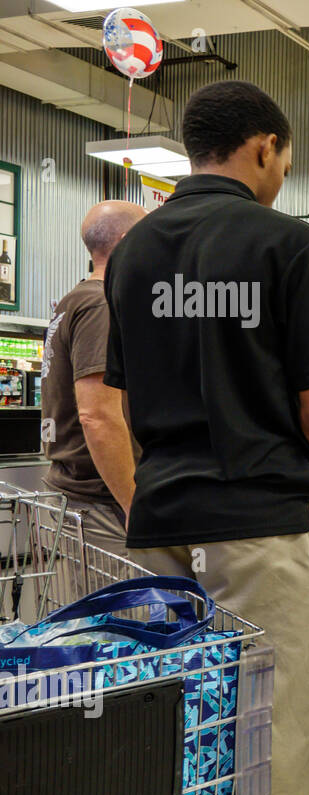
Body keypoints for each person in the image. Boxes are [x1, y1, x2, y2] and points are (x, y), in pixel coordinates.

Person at [102, 79, 309, 795]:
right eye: (284, 165)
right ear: (264, 148)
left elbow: (122, 403)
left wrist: (147, 500)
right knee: (276, 740)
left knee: (168, 733)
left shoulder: (133, 254)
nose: (280, 179)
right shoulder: (288, 245)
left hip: (158, 531)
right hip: (259, 528)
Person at [42, 201, 146, 554]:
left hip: (80, 499)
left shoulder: (73, 299)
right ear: (129, 241)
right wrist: (134, 505)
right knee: (121, 609)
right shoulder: (101, 305)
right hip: (101, 507)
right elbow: (97, 415)